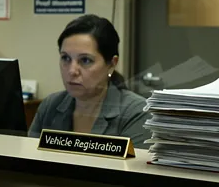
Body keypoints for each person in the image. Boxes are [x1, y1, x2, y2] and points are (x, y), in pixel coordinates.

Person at [28, 14, 151, 148]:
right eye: (66, 58)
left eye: (85, 60)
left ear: (111, 64)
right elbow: (28, 162)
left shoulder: (136, 112)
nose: (72, 71)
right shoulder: (50, 106)